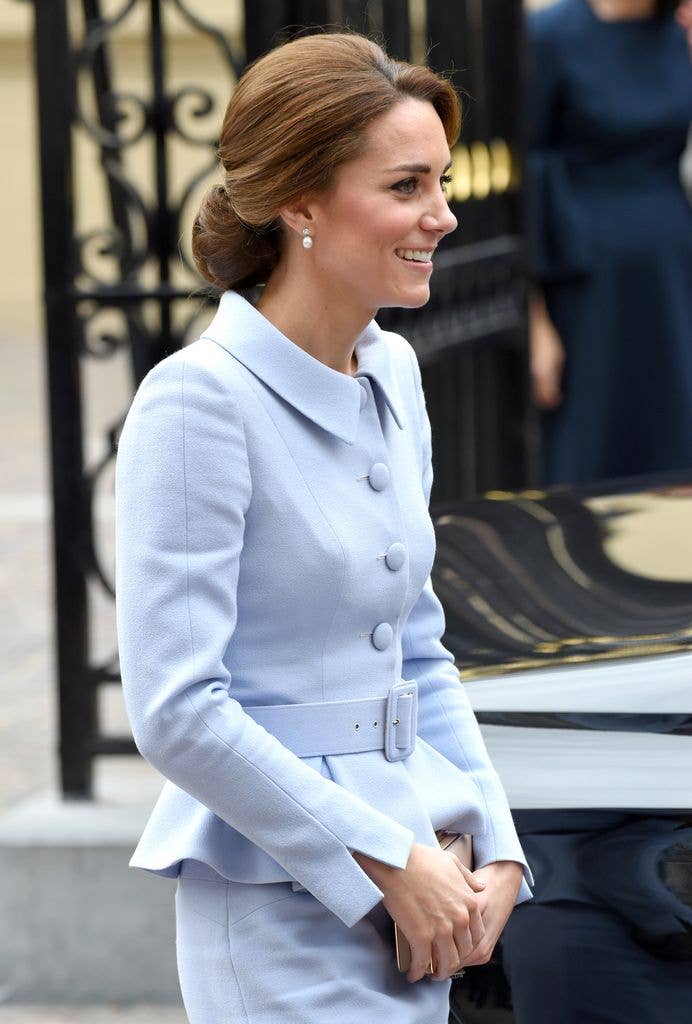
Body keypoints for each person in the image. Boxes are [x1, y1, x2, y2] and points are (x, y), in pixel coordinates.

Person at [115, 32, 532, 1024]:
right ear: (300, 202)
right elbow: (177, 710)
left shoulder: (390, 369)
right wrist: (388, 860)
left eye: (438, 179)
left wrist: (495, 836)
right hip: (279, 913)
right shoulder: (197, 404)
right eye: (405, 186)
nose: (441, 213)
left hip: (422, 897)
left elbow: (417, 648)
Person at [527, 0, 692, 485]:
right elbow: (527, 175)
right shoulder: (553, 34)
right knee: (593, 440)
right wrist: (536, 320)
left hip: (673, 269)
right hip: (586, 277)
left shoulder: (677, 30)